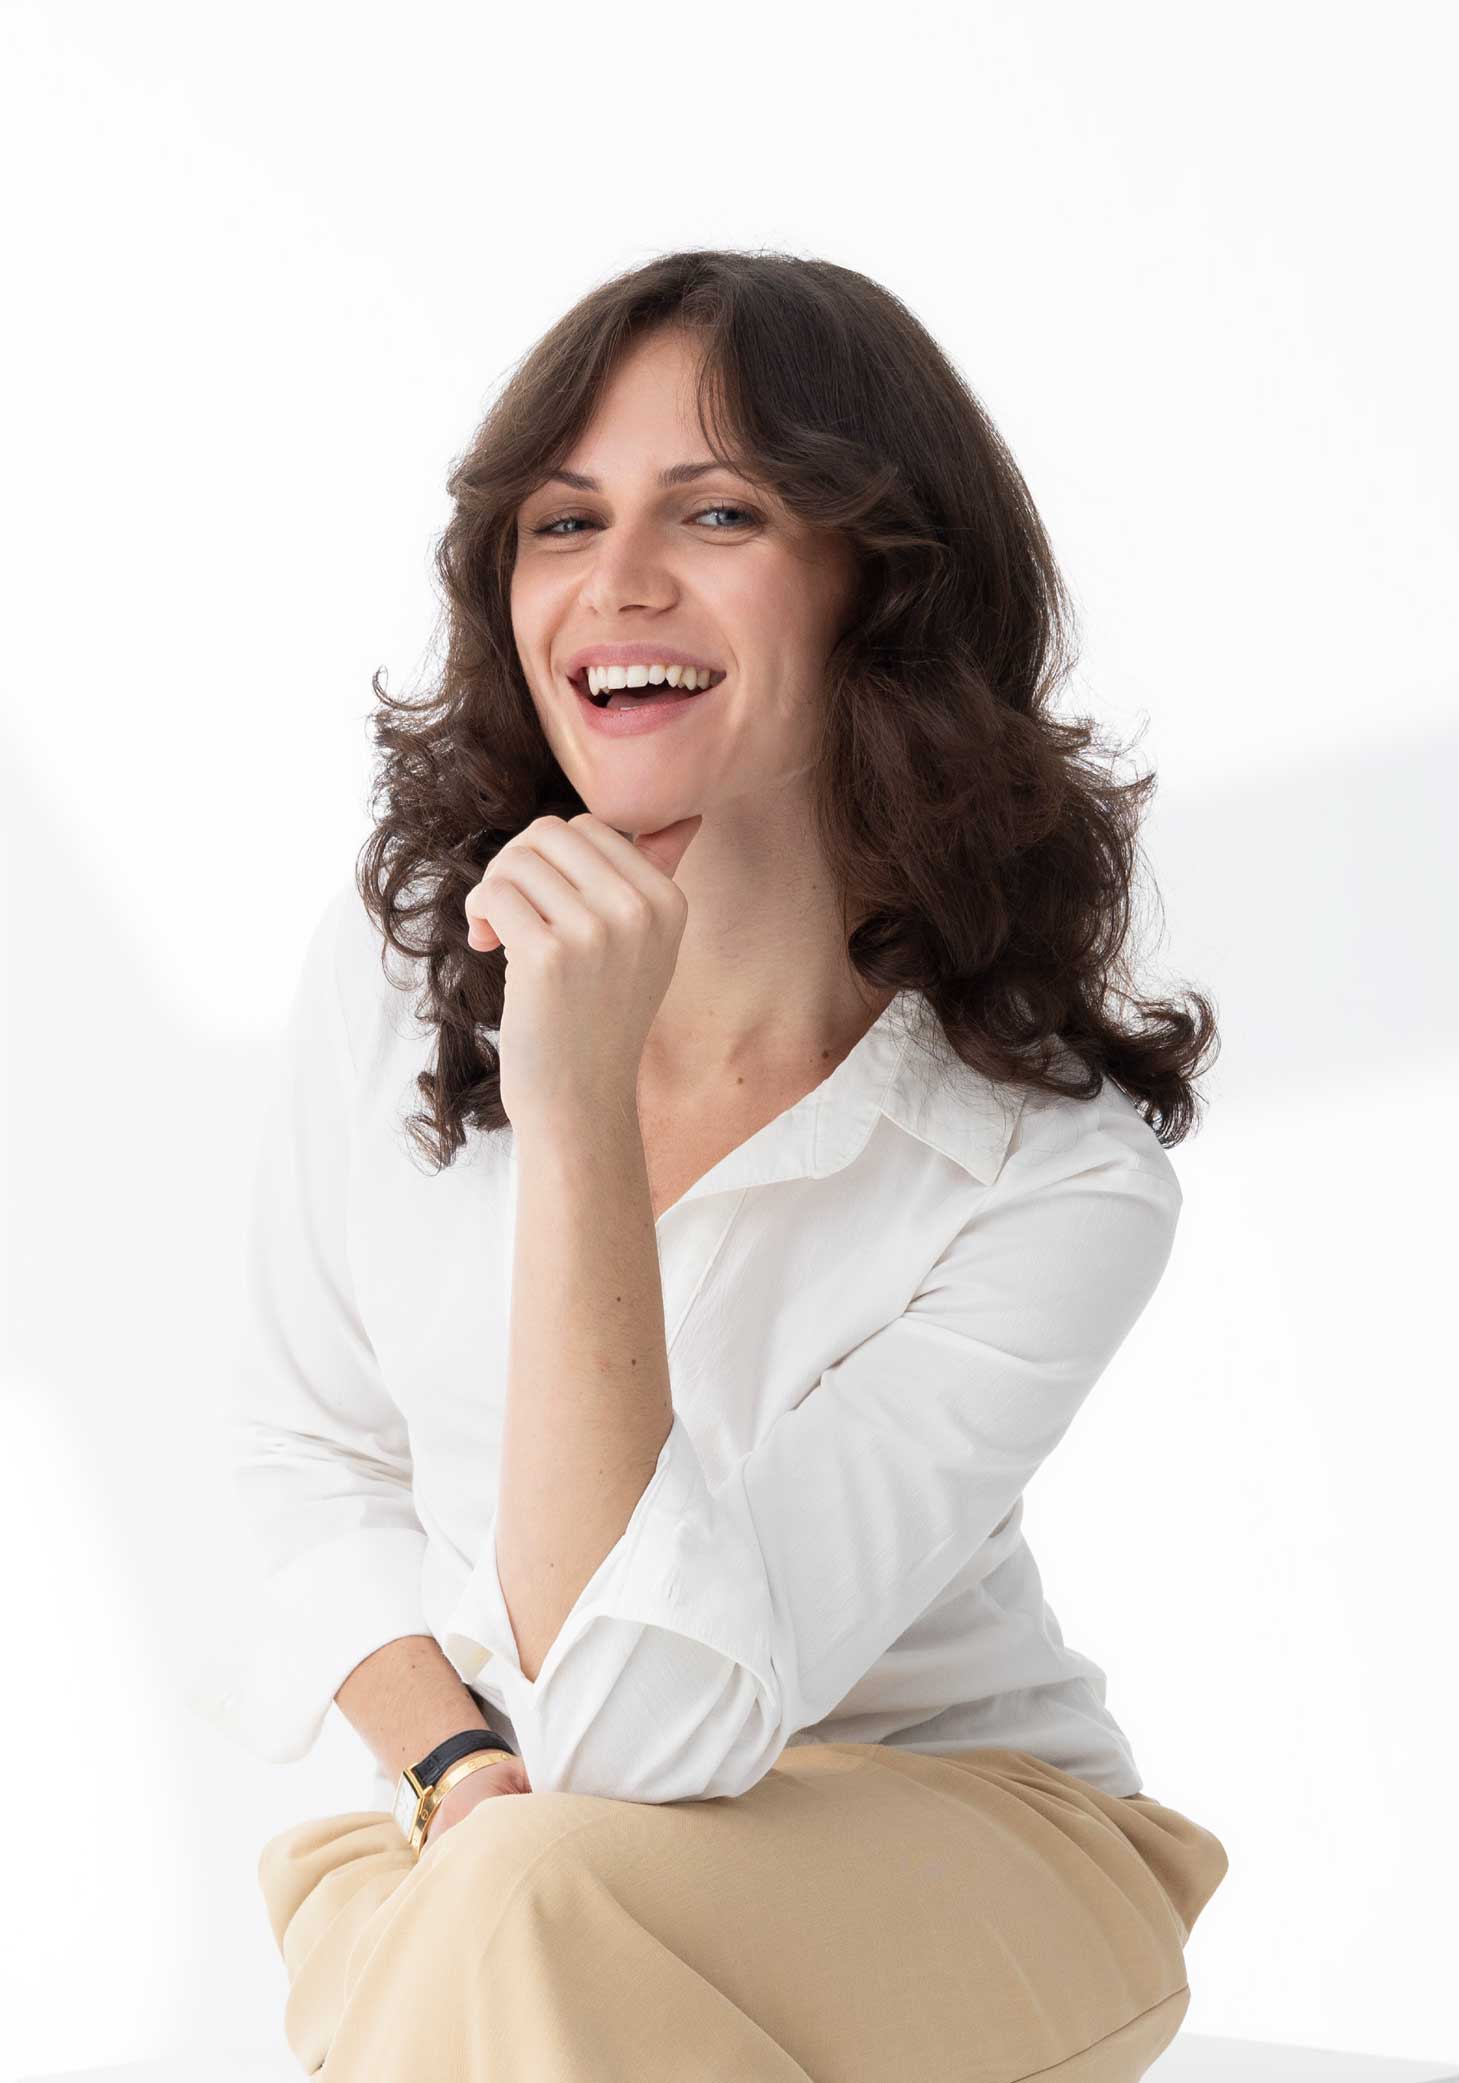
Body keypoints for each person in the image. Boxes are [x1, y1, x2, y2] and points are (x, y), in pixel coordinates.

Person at [216, 249, 1230, 2081]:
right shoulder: (397, 973)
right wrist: (450, 1763)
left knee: (517, 1920)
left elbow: (646, 1724)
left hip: (955, 1847)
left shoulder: (1049, 1172)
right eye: (560, 521)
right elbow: (309, 1463)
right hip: (489, 1828)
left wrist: (581, 1111)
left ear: (884, 588)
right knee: (513, 1905)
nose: (616, 586)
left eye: (721, 510)